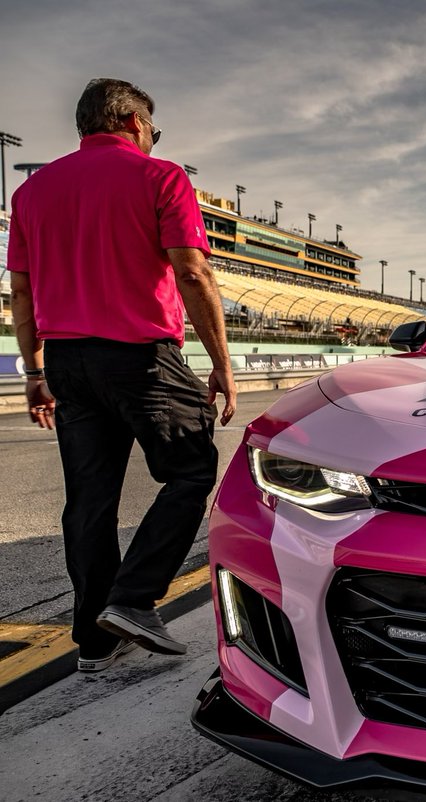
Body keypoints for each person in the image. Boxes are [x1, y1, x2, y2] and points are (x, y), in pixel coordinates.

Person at [8, 78, 236, 672]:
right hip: (141, 356)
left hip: (65, 362)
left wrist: (35, 372)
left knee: (89, 499)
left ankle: (95, 641)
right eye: (153, 130)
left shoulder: (32, 192)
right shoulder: (160, 177)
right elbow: (192, 273)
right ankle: (134, 600)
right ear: (135, 122)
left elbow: (23, 289)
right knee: (190, 470)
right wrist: (220, 363)